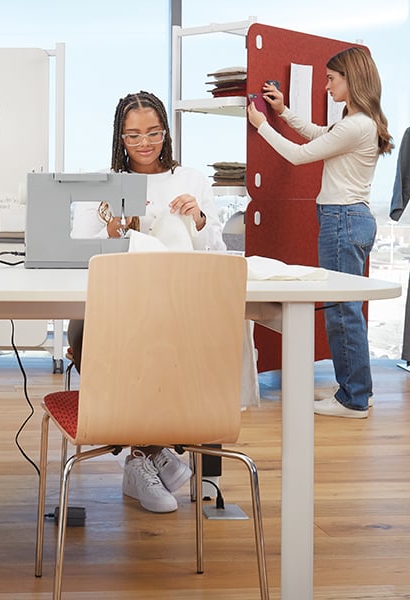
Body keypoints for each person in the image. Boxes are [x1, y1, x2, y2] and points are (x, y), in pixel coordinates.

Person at [68, 90, 226, 514]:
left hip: (176, 304)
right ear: (120, 137)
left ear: (166, 133)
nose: (144, 142)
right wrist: (112, 233)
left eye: (153, 132)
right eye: (134, 134)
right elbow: (79, 252)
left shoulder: (189, 179)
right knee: (82, 333)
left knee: (163, 340)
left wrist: (198, 217)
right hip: (117, 303)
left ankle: (141, 458)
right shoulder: (102, 185)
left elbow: (214, 248)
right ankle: (151, 454)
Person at [247, 47, 393, 419]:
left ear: (352, 79)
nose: (326, 86)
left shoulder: (355, 125)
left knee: (342, 313)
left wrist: (262, 126)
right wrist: (282, 111)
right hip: (351, 218)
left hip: (341, 220)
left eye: (332, 79)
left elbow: (300, 155)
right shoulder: (360, 122)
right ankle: (360, 391)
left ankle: (354, 399)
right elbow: (318, 134)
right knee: (347, 309)